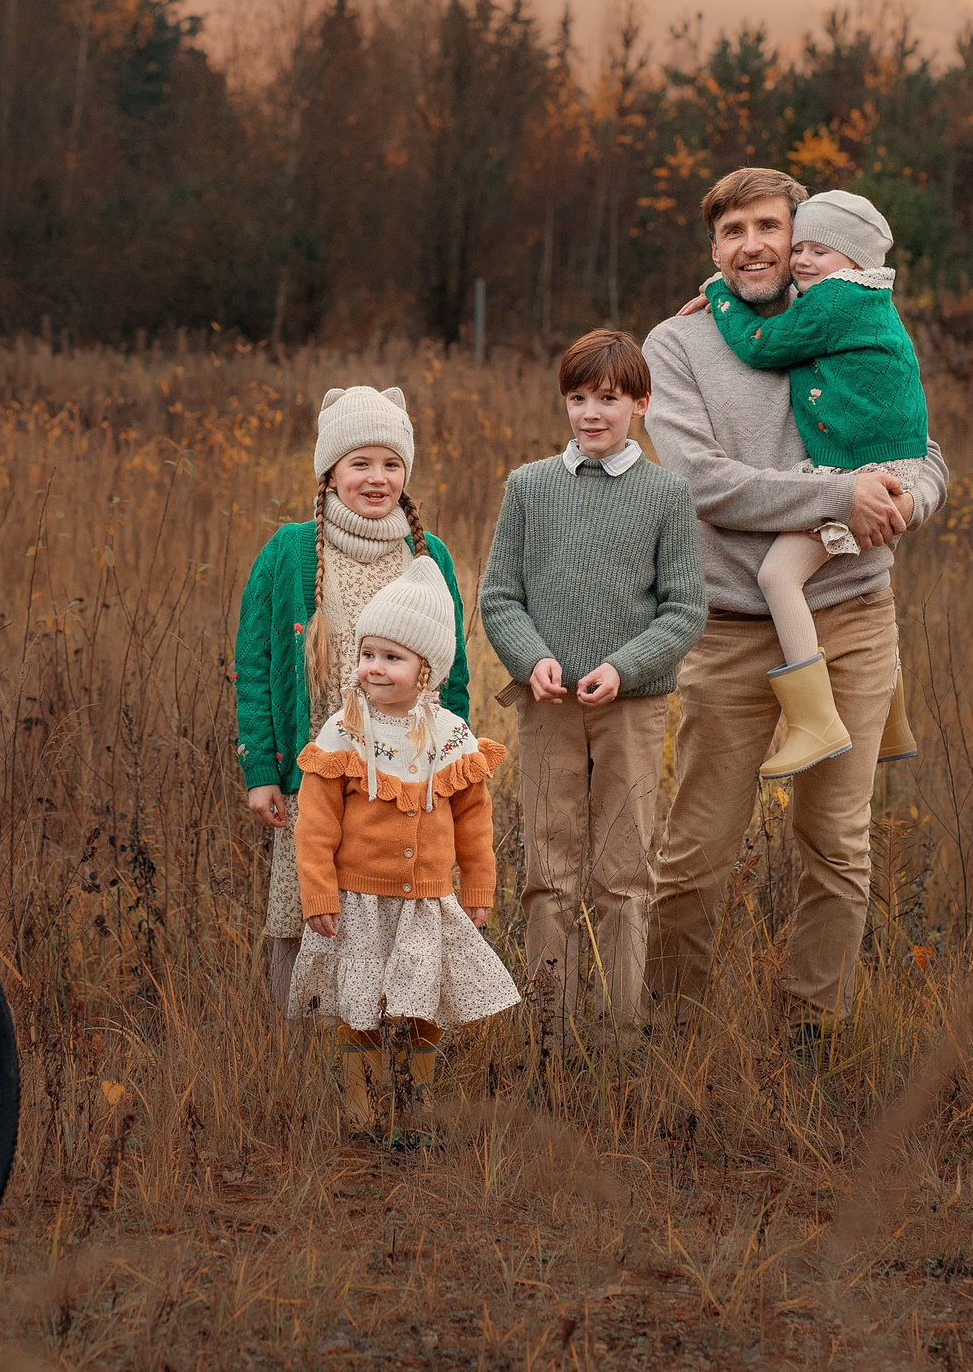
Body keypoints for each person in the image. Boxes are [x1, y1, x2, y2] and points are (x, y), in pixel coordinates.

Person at [642, 167, 949, 1049]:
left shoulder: (848, 309)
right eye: (731, 230)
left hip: (852, 617)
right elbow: (702, 481)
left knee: (838, 847)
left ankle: (808, 1037)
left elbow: (917, 447)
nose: (752, 244)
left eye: (768, 225)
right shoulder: (680, 342)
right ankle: (671, 1031)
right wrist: (835, 500)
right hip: (733, 629)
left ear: (800, 234)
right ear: (713, 249)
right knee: (696, 854)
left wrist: (901, 499)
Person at [478, 329, 705, 1044]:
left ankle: (620, 1033)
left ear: (639, 402)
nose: (590, 414)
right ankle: (549, 1029)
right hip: (548, 708)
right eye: (577, 398)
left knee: (623, 871)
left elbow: (684, 609)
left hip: (631, 709)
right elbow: (499, 597)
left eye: (607, 398)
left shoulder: (667, 494)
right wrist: (532, 656)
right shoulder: (530, 486)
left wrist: (625, 666)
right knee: (549, 868)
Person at [233, 386, 473, 1015]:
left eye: (390, 464)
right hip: (317, 775)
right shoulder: (289, 553)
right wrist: (262, 770)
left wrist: (455, 766)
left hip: (408, 779)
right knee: (308, 908)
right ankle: (305, 1058)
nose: (376, 479)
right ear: (330, 472)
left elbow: (456, 674)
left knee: (400, 910)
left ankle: (392, 1048)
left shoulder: (427, 556)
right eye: (359, 463)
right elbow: (256, 665)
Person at [694, 190, 928, 778]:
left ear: (852, 262)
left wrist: (720, 295)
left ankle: (814, 722)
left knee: (779, 574)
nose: (801, 262)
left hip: (860, 477)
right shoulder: (861, 295)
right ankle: (891, 713)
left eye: (817, 251)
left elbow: (764, 342)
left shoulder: (837, 302)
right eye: (799, 248)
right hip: (881, 468)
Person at [286, 556, 520, 1133]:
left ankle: (414, 1101)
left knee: (423, 1000)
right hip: (359, 899)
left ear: (427, 671)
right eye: (368, 654)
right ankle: (359, 1106)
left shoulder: (449, 736)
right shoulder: (344, 731)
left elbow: (474, 820)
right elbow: (315, 823)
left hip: (427, 902)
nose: (375, 668)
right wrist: (318, 892)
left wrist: (480, 885)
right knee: (359, 1003)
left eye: (393, 658)